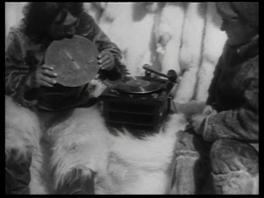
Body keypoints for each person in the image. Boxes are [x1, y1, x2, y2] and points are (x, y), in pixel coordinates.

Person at [5, 2, 127, 194]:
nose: (71, 32)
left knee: (83, 156)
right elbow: (7, 76)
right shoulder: (20, 35)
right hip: (31, 108)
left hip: (74, 108)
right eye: (64, 27)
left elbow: (109, 48)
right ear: (45, 24)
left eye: (74, 24)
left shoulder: (85, 24)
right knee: (13, 140)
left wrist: (110, 59)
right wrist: (30, 80)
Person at [170, 2, 258, 194]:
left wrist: (209, 124)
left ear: (251, 24)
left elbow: (254, 122)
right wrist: (212, 108)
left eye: (227, 21)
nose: (221, 27)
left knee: (225, 152)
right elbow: (218, 92)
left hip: (252, 139)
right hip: (234, 128)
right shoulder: (236, 46)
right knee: (188, 141)